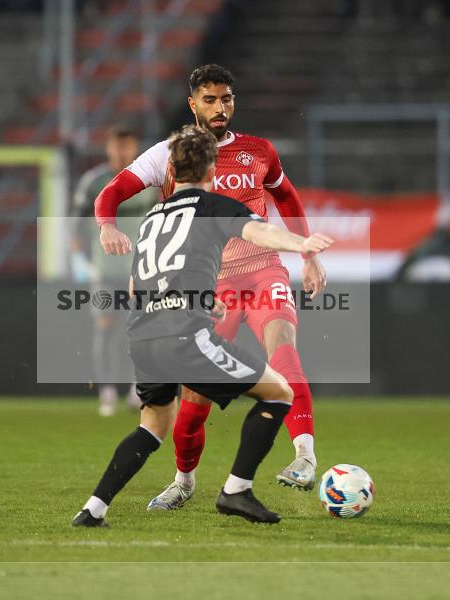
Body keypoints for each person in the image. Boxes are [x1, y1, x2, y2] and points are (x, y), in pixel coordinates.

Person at [73, 126, 334, 527]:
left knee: (154, 427)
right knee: (278, 392)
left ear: (171, 174)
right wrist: (302, 246)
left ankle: (92, 510)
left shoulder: (152, 218)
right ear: (212, 168)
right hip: (184, 336)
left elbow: (135, 284)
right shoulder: (213, 206)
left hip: (142, 338)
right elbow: (257, 230)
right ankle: (236, 490)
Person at [71, 125, 158, 416]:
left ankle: (137, 390)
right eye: (117, 146)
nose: (122, 152)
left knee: (141, 329)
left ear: (135, 148)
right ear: (109, 148)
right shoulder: (95, 181)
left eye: (127, 146)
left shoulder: (151, 181)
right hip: (105, 271)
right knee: (106, 329)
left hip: (141, 271)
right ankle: (107, 393)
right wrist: (86, 261)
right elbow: (77, 227)